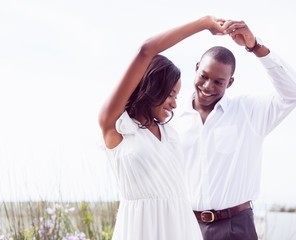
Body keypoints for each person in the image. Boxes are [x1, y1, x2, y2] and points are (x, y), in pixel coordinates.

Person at [98, 15, 227, 240]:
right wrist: (204, 23)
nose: (174, 103)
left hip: (181, 227)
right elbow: (146, 50)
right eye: (169, 94)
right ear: (151, 87)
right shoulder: (117, 126)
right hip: (140, 230)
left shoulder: (170, 133)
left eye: (176, 96)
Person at [172, 19, 296, 239]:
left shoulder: (249, 112)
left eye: (219, 82)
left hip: (236, 227)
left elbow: (291, 93)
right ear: (196, 68)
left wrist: (255, 46)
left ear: (230, 82)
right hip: (186, 227)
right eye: (204, 76)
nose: (208, 87)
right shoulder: (172, 119)